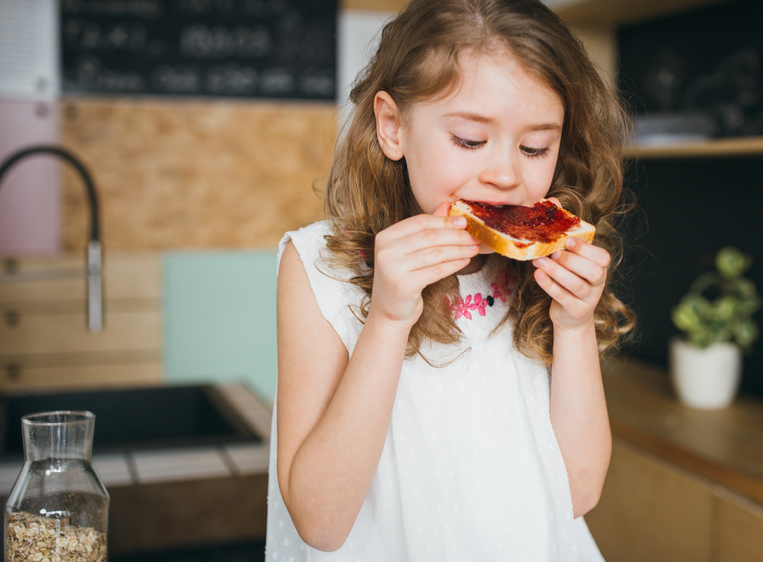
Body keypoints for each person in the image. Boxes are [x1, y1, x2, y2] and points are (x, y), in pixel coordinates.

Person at [266, 0, 635, 559]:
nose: (508, 175)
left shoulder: (542, 267)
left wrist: (576, 325)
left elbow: (577, 494)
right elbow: (319, 520)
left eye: (535, 147)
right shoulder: (321, 265)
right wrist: (389, 318)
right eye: (469, 140)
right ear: (393, 127)